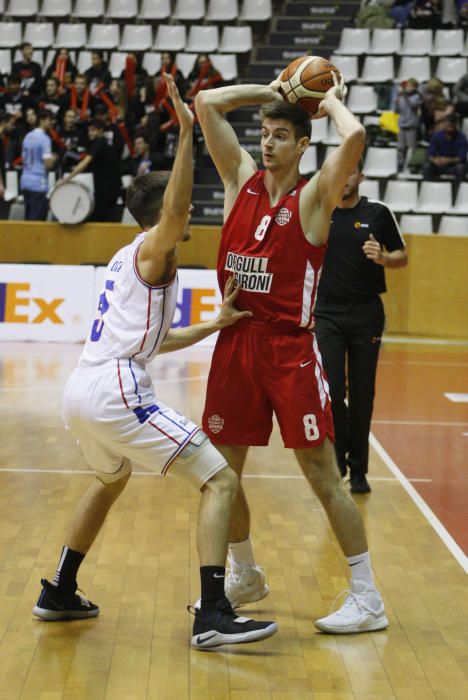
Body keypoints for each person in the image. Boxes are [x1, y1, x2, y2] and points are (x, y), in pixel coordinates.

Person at [32, 75, 277, 650]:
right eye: (178, 207)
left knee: (109, 480)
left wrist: (212, 325)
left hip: (84, 389)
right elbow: (176, 206)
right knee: (219, 479)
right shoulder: (153, 248)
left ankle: (60, 588)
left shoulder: (126, 261)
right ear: (162, 214)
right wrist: (189, 134)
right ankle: (213, 613)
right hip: (116, 391)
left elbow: (152, 343)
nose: (188, 212)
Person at [195, 76, 389, 633]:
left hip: (290, 350)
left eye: (282, 135)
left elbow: (352, 137)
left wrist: (322, 100)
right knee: (220, 472)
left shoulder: (311, 199)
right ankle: (246, 573)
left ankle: (367, 597)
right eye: (265, 132)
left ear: (303, 145)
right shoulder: (239, 180)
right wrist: (274, 89)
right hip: (236, 340)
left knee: (323, 475)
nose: (268, 142)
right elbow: (206, 103)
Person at [314, 162, 407, 494]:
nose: (346, 177)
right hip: (326, 314)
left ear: (360, 177)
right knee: (333, 389)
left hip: (366, 313)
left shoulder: (378, 213)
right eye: (342, 172)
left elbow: (402, 255)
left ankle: (359, 470)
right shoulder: (321, 212)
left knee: (363, 393)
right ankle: (338, 461)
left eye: (352, 171)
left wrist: (384, 257)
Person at [58, 119, 122, 222]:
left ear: (100, 131)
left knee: (99, 219)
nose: (90, 133)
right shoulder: (107, 144)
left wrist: (67, 179)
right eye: (89, 131)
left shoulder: (99, 142)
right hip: (112, 188)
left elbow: (85, 162)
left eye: (93, 130)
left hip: (105, 190)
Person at [20, 109, 56, 220]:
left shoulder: (27, 136)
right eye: (49, 120)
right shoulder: (45, 139)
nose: (51, 123)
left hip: (25, 181)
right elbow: (48, 164)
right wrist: (54, 158)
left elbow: (23, 158)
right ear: (42, 120)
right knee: (37, 222)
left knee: (28, 218)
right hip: (39, 184)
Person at [422, 113, 468, 191]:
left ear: (455, 125)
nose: (450, 126)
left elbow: (461, 157)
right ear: (444, 124)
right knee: (427, 167)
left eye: (452, 124)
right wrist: (435, 160)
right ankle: (428, 192)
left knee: (461, 168)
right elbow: (430, 154)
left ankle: (458, 194)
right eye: (448, 124)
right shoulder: (436, 136)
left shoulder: (461, 138)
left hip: (453, 166)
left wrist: (447, 160)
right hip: (439, 165)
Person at [395, 78, 422, 171]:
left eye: (411, 86)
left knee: (412, 147)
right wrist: (397, 100)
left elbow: (413, 105)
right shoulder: (401, 96)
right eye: (407, 86)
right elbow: (397, 109)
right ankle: (400, 164)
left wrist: (405, 96)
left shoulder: (417, 96)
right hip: (402, 124)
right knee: (401, 147)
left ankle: (415, 165)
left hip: (412, 125)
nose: (409, 88)